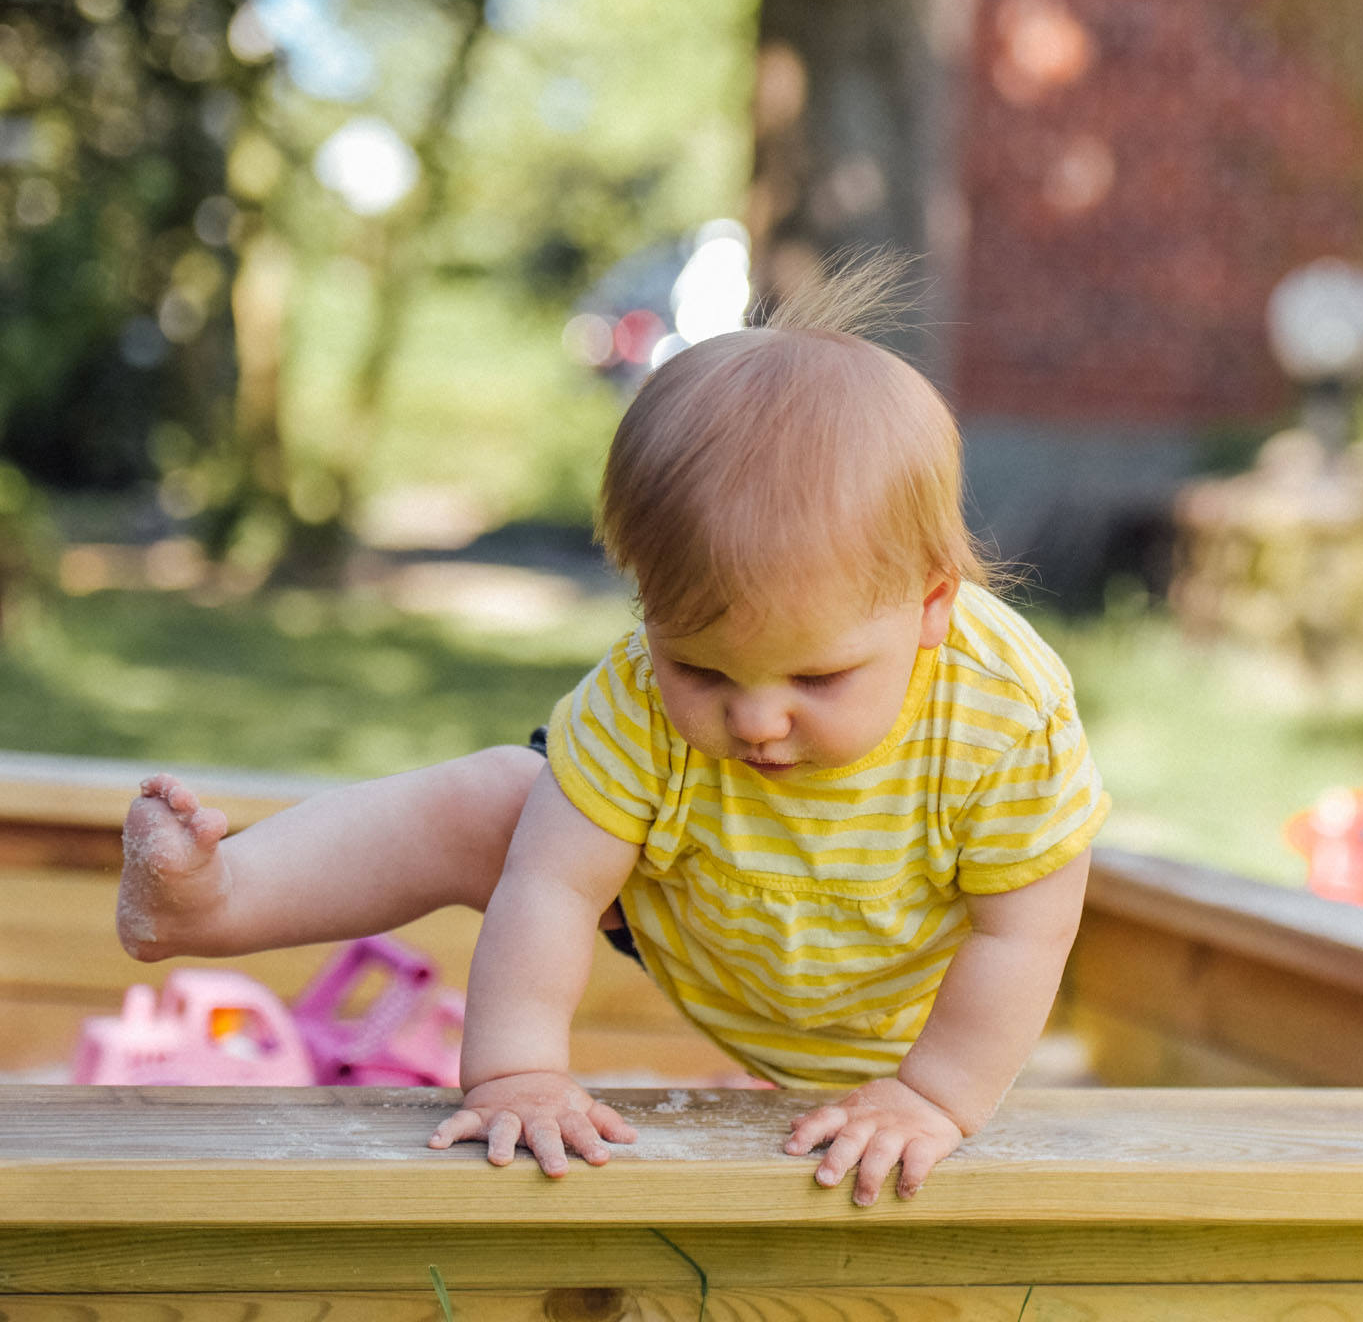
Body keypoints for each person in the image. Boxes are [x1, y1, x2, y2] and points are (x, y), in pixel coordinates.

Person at [114, 264, 1109, 1206]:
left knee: (983, 961)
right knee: (499, 803)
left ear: (932, 606)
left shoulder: (1001, 715)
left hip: (910, 997)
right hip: (703, 910)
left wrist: (932, 1095)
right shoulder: (633, 695)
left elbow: (1025, 926)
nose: (756, 719)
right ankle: (213, 900)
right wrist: (516, 1072)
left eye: (818, 676)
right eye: (702, 670)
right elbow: (550, 888)